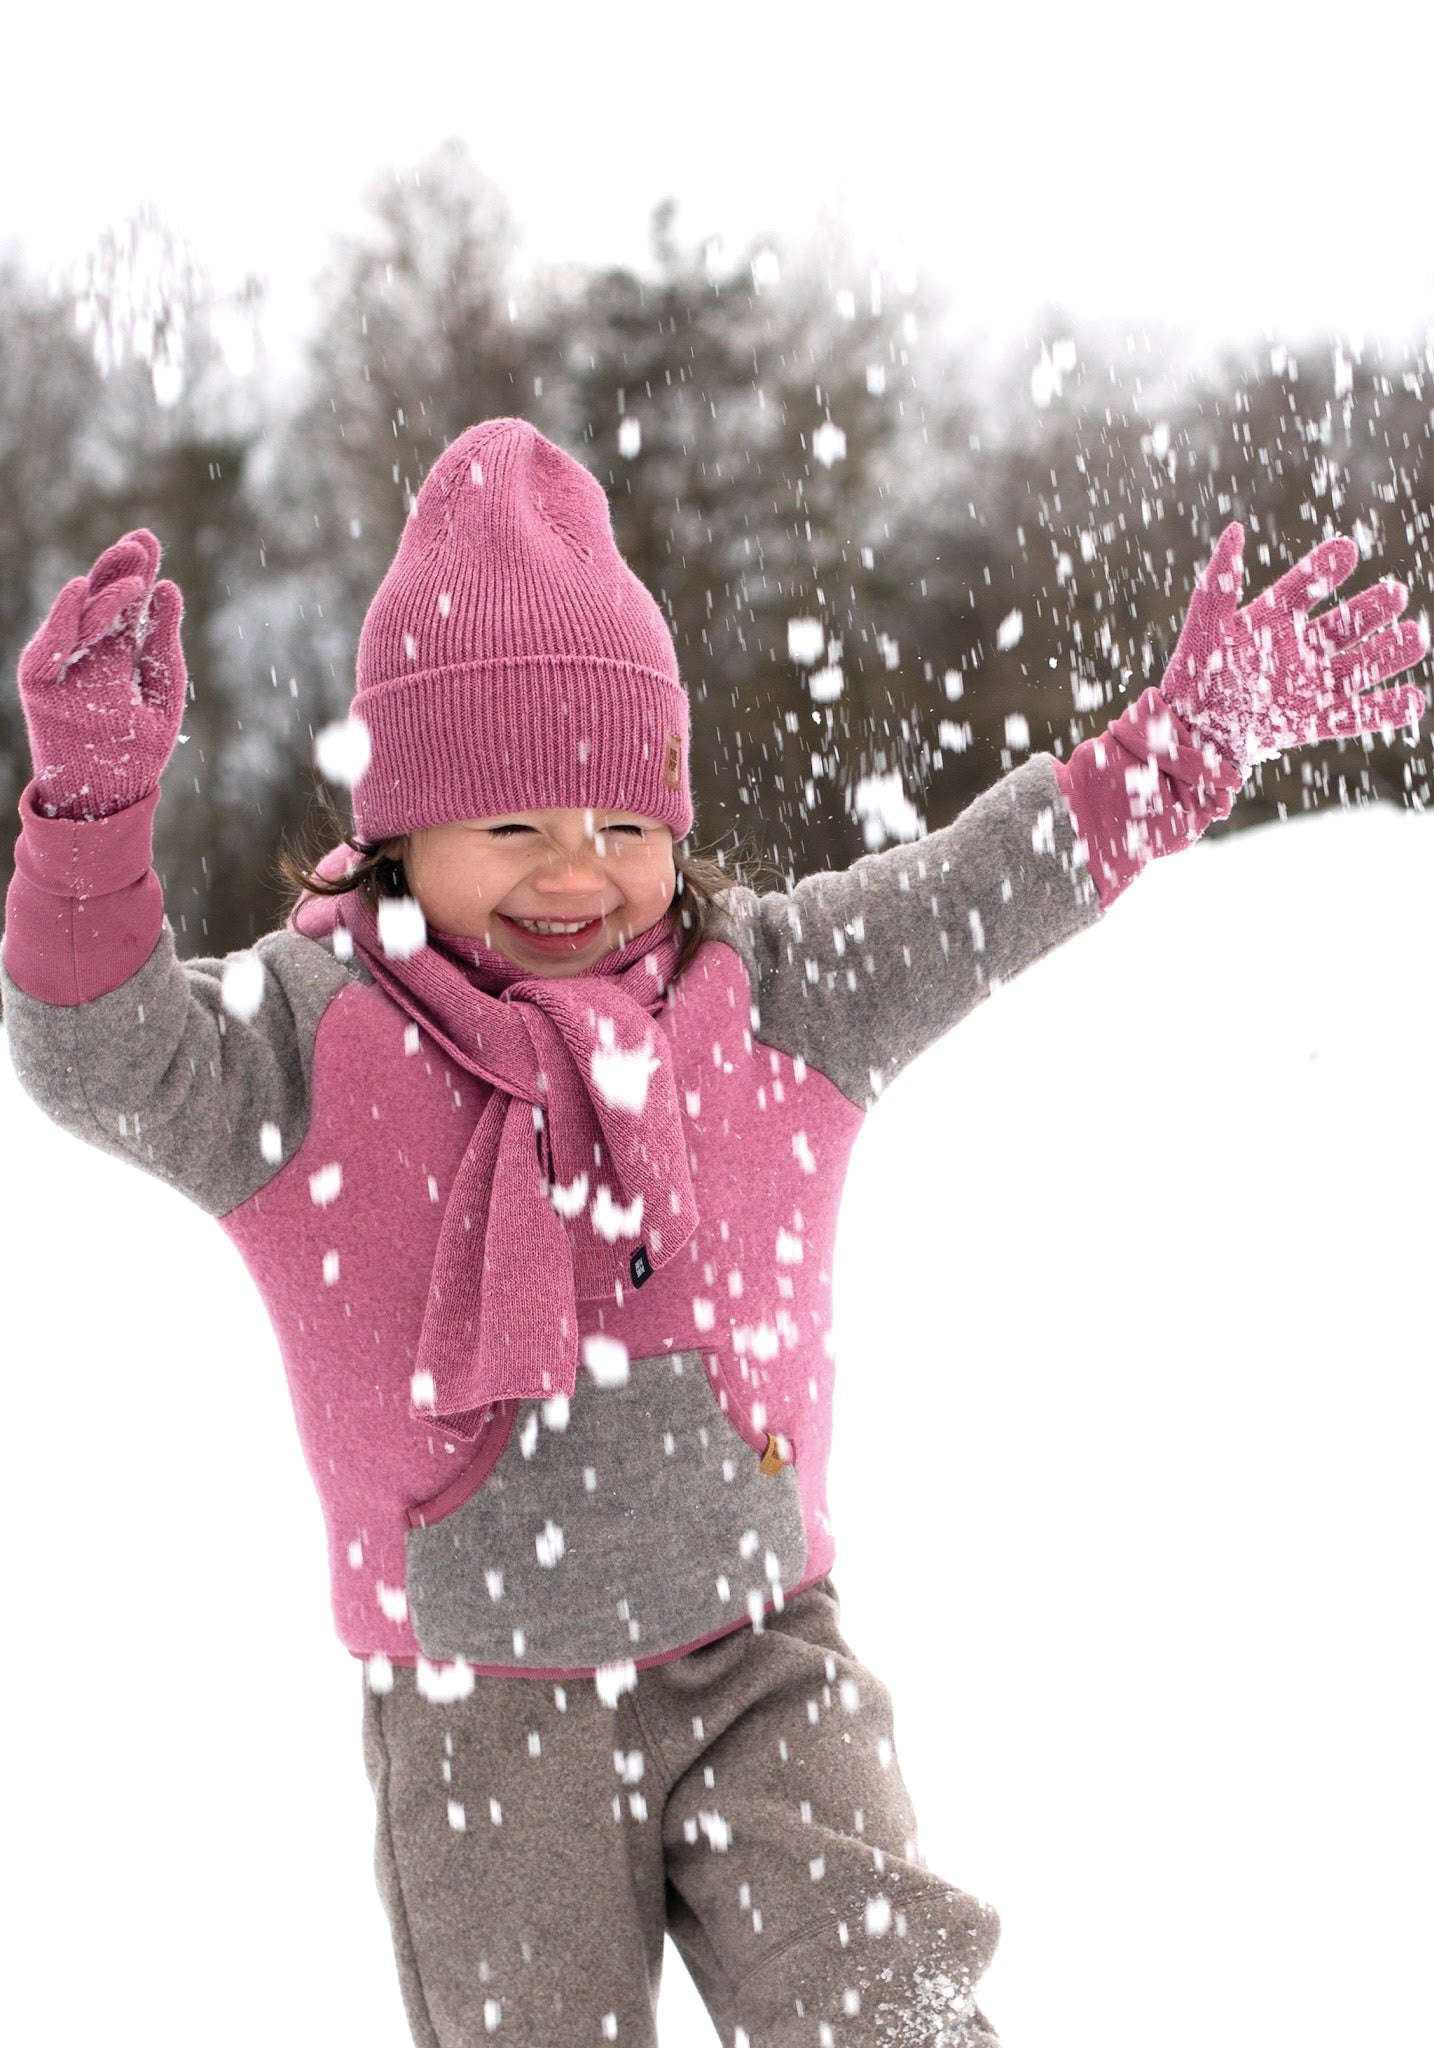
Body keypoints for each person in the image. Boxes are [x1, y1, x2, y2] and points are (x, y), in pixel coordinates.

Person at [2, 417, 1424, 2048]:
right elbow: (97, 1054)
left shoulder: (770, 991)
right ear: (401, 830)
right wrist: (92, 826)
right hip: (486, 1719)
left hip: (761, 1658)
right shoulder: (314, 1044)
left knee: (879, 2009)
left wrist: (1172, 752)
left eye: (620, 822)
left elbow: (977, 886)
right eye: (513, 825)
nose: (575, 873)